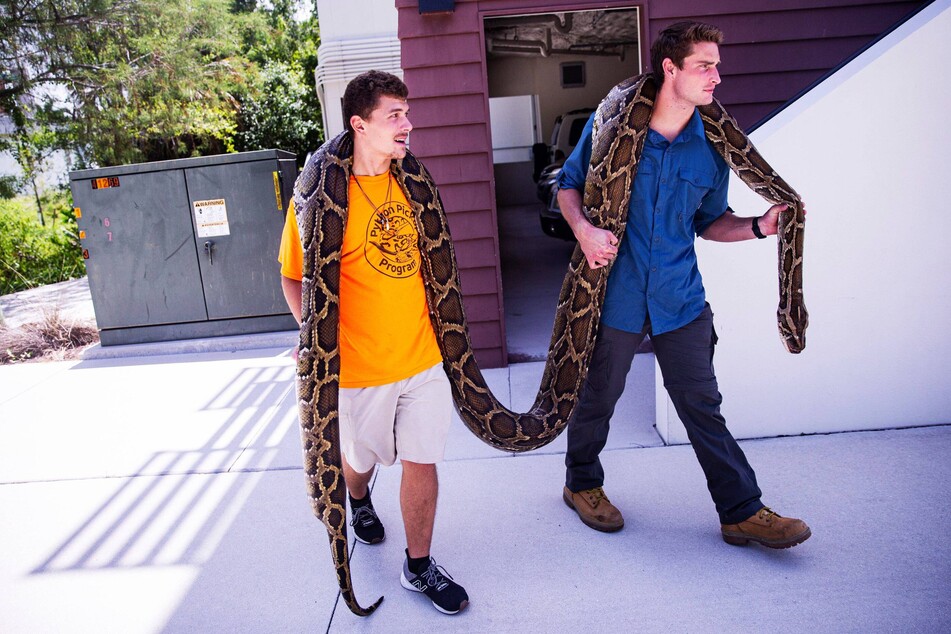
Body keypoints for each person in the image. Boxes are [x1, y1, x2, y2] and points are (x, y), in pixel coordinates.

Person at [556, 21, 811, 549]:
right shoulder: (611, 124)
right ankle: (581, 483)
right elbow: (568, 186)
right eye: (704, 65)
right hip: (614, 296)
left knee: (701, 404)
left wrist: (760, 227)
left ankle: (742, 511)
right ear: (670, 69)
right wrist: (583, 231)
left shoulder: (712, 148)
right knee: (599, 397)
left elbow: (709, 222)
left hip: (680, 297)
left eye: (716, 65)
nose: (717, 76)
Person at [279, 70, 469, 614]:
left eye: (407, 113)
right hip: (358, 369)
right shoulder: (316, 197)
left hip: (423, 357)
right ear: (360, 125)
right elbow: (293, 277)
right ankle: (358, 496)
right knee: (360, 462)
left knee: (422, 460)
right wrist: (310, 336)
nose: (408, 124)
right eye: (395, 115)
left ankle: (419, 566)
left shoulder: (413, 183)